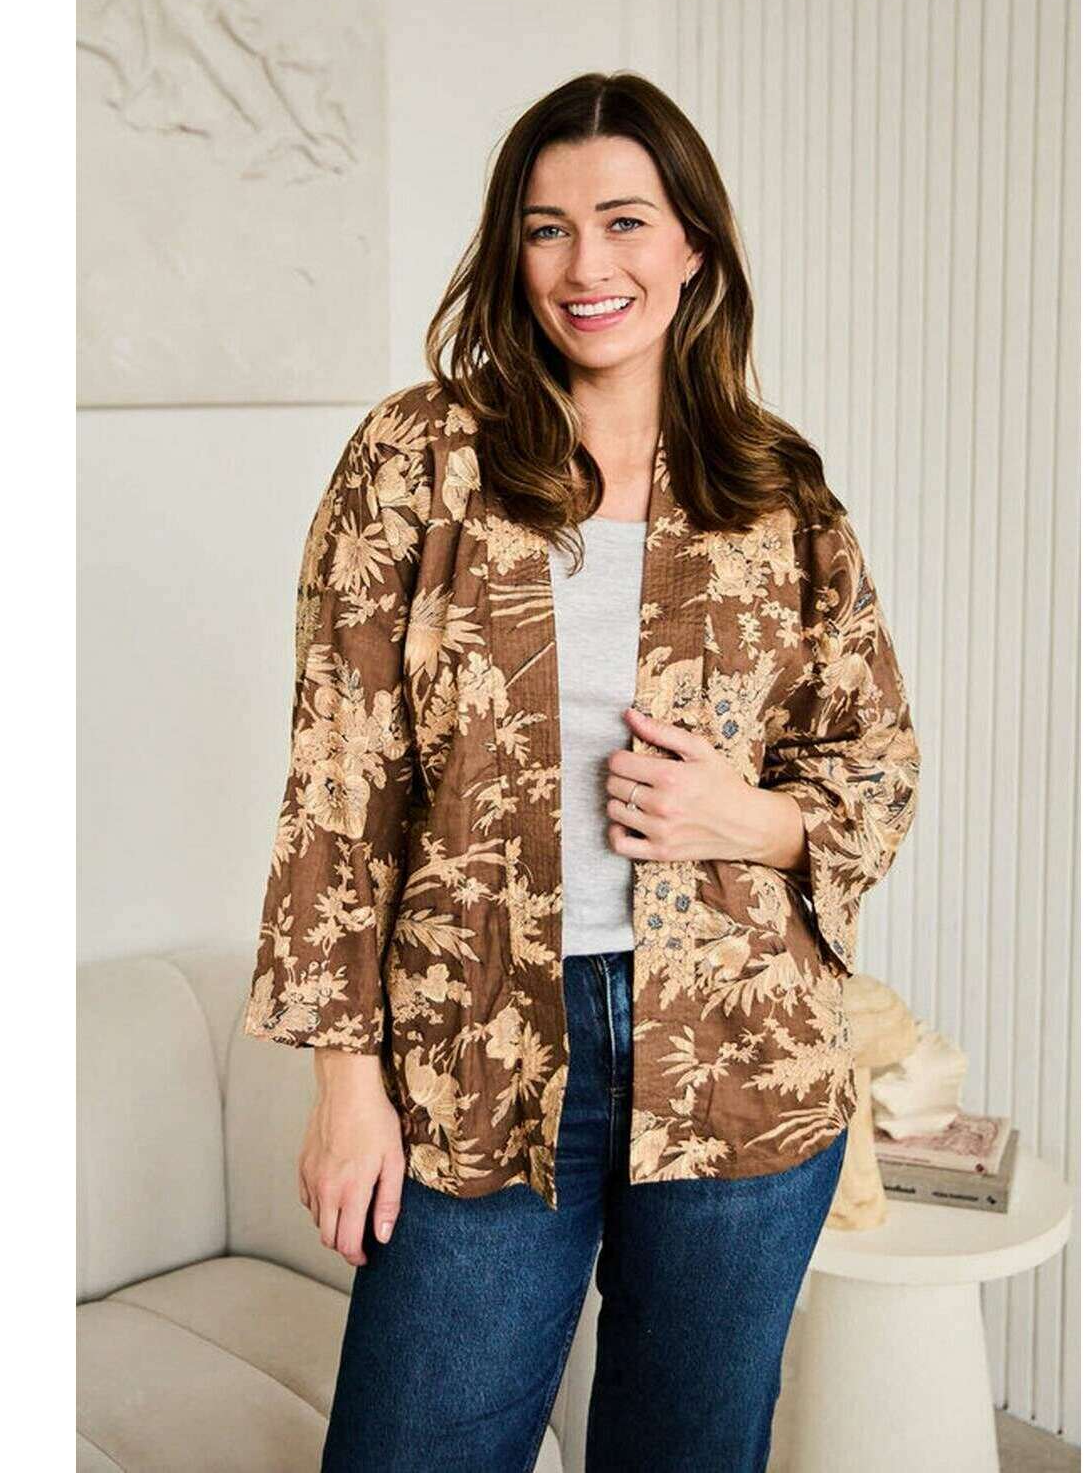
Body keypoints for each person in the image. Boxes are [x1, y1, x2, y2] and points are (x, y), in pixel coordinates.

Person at [243, 71, 920, 1472]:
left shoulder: (775, 486)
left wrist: (752, 818)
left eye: (625, 221)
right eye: (547, 228)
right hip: (477, 1053)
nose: (585, 265)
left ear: (694, 246)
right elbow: (338, 782)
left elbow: (874, 756)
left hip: (739, 1059)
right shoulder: (416, 459)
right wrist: (346, 1086)